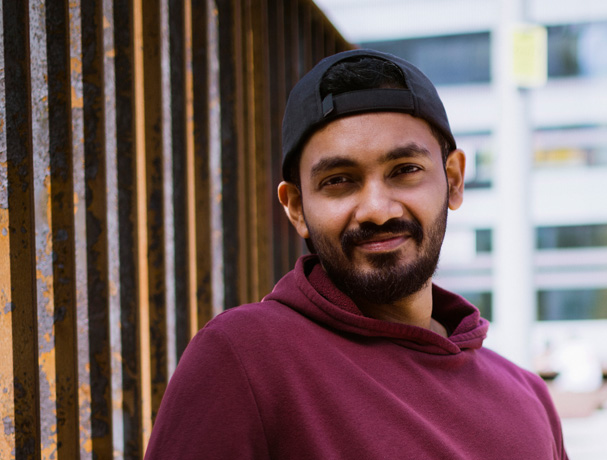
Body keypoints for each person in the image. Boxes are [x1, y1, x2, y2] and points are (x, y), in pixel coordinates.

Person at [145, 49, 569, 459]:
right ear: (296, 208)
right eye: (339, 180)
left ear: (454, 181)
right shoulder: (243, 359)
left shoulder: (528, 396)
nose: (377, 210)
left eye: (405, 171)